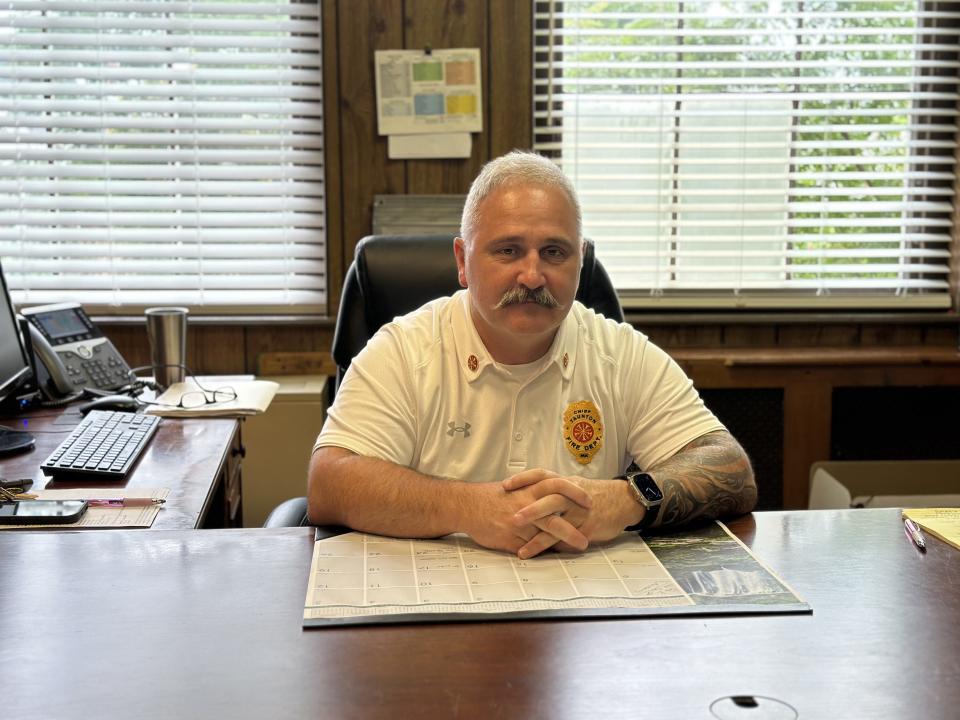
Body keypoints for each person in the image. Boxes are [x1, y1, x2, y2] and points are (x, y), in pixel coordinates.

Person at [308, 150, 756, 559]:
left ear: (580, 262)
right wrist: (471, 508)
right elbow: (329, 481)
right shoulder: (405, 350)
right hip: (434, 613)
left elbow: (730, 467)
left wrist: (624, 500)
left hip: (583, 614)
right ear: (463, 261)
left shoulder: (619, 352)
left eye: (554, 253)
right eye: (508, 250)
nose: (533, 275)